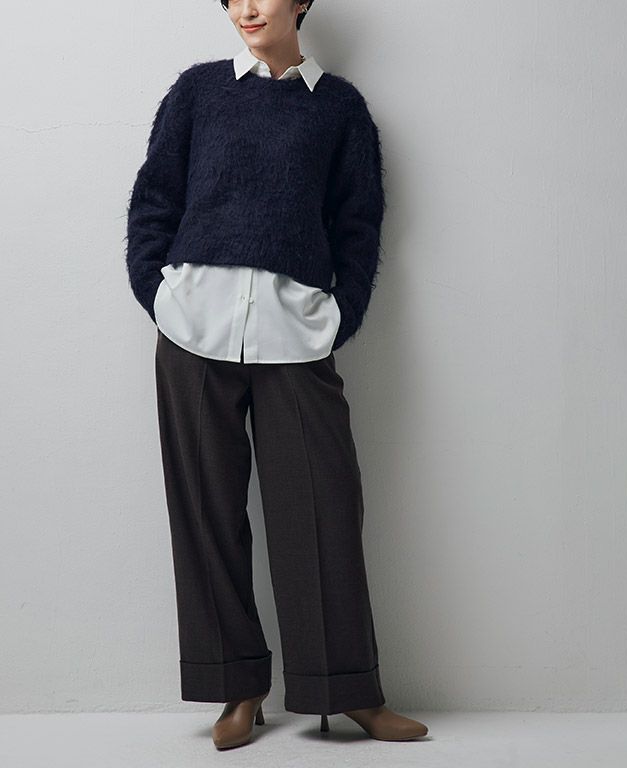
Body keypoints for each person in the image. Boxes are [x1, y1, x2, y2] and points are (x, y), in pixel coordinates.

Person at [125, 0, 429, 751]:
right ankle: (239, 689)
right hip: (194, 330)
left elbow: (358, 223)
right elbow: (155, 197)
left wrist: (337, 317)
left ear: (301, 2)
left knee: (322, 511)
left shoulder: (339, 109)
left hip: (296, 334)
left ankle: (346, 691)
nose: (246, 8)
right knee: (206, 514)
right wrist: (158, 293)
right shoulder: (198, 92)